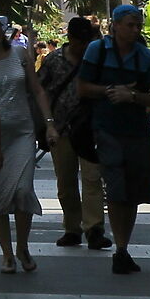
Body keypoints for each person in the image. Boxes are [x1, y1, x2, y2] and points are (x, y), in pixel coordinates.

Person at [76, 1, 150, 275]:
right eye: (130, 25)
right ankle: (120, 248)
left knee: (134, 191)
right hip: (107, 129)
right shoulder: (97, 50)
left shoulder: (145, 56)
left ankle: (124, 247)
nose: (135, 29)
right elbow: (82, 87)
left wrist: (133, 96)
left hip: (137, 131)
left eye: (138, 25)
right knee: (115, 188)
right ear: (115, 26)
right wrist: (111, 91)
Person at [0, 8, 49, 276]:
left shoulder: (20, 54)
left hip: (22, 132)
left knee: (23, 190)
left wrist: (49, 124)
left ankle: (23, 246)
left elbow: (36, 90)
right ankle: (6, 253)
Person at [41, 15, 109, 250]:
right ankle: (72, 227)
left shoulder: (96, 59)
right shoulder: (53, 60)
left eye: (86, 41)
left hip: (90, 128)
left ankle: (94, 228)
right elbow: (42, 92)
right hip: (62, 130)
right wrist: (47, 123)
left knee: (92, 179)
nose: (83, 46)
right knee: (66, 182)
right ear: (69, 38)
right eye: (79, 41)